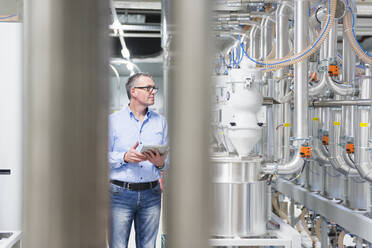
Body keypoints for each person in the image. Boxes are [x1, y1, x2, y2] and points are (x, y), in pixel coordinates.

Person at [108, 72, 169, 248]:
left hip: (152, 194)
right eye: (148, 88)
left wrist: (161, 163)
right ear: (133, 91)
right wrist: (124, 157)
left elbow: (169, 158)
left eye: (154, 88)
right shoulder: (113, 121)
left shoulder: (161, 122)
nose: (153, 92)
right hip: (120, 194)